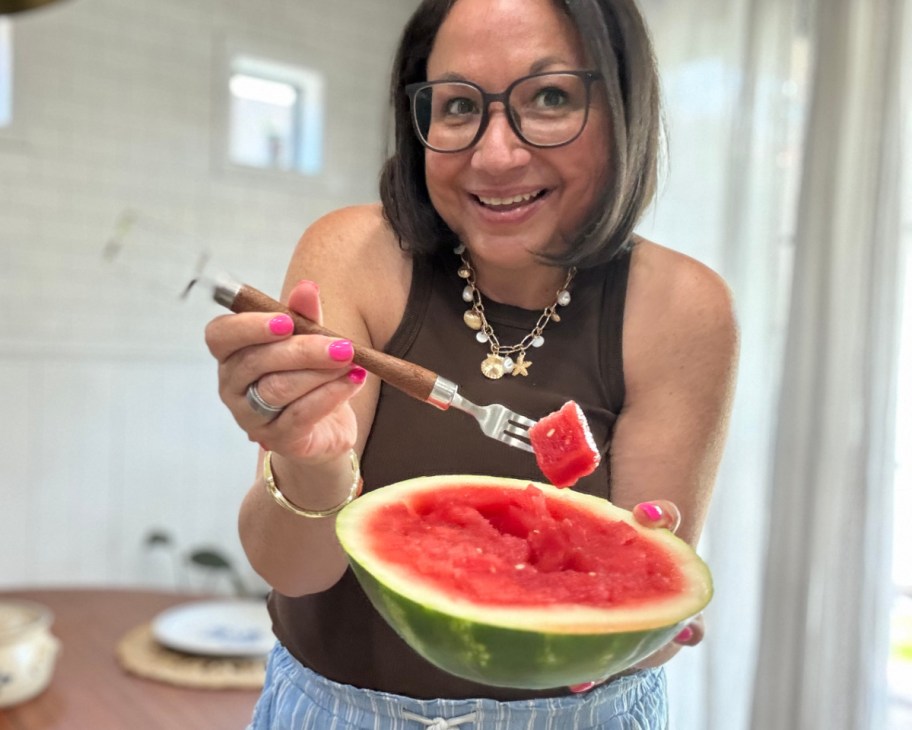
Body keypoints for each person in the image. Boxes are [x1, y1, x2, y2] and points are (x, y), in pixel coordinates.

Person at [205, 0, 738, 726]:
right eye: (459, 105)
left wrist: (639, 630)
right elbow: (295, 569)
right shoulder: (354, 254)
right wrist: (308, 460)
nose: (495, 156)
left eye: (550, 98)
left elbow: (643, 632)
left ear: (621, 108)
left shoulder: (682, 310)